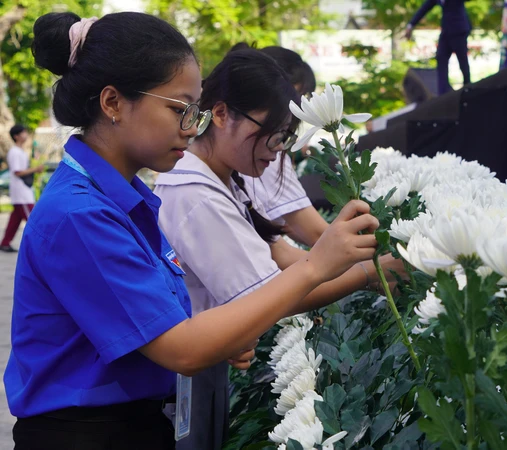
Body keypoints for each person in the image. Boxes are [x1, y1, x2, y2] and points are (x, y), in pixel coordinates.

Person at [5, 11, 380, 450]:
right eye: (180, 110)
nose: (190, 128)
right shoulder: (80, 213)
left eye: (194, 112)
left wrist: (219, 337)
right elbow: (180, 348)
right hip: (86, 434)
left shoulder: (121, 197)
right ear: (112, 104)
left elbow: (165, 323)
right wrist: (315, 266)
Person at [154, 48, 406, 450]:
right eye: (274, 135)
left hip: (209, 363)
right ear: (220, 114)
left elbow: (270, 268)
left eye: (286, 137)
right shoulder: (195, 194)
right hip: (187, 376)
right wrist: (366, 273)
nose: (278, 150)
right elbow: (266, 295)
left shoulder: (223, 180)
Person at [231, 43, 328, 246]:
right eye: (302, 97)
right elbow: (314, 233)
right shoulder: (265, 148)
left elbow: (279, 241)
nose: (302, 107)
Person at [404, 0, 472, 95]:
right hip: (446, 32)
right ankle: (442, 93)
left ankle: (468, 87)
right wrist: (411, 25)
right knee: (441, 58)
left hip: (459, 30)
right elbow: (425, 8)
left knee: (462, 60)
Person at [1, 124, 45, 252]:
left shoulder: (20, 152)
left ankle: (5, 243)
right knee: (33, 220)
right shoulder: (15, 152)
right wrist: (35, 169)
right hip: (22, 193)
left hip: (23, 191)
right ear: (16, 136)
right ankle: (42, 244)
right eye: (23, 132)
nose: (26, 134)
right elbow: (17, 172)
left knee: (15, 220)